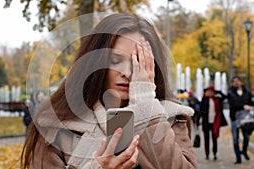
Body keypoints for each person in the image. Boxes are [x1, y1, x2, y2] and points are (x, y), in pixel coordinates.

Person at [20, 13, 197, 168]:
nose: (127, 73)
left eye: (138, 61)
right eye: (115, 60)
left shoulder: (172, 118)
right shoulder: (57, 124)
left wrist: (146, 105)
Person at [228, 76, 253, 164]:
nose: (236, 83)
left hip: (246, 118)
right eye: (234, 81)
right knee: (235, 139)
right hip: (235, 118)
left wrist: (249, 106)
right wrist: (243, 106)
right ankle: (238, 157)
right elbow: (232, 105)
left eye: (237, 81)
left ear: (241, 82)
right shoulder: (230, 93)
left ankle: (244, 151)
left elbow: (251, 102)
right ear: (232, 83)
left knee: (246, 137)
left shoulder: (247, 92)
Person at [198, 85, 227, 161]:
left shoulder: (217, 99)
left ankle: (215, 153)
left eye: (211, 91)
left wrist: (218, 92)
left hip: (215, 122)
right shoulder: (204, 99)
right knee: (206, 139)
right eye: (208, 91)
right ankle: (207, 154)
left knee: (214, 139)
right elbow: (201, 110)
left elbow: (225, 97)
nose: (209, 93)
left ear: (213, 92)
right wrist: (197, 120)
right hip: (206, 122)